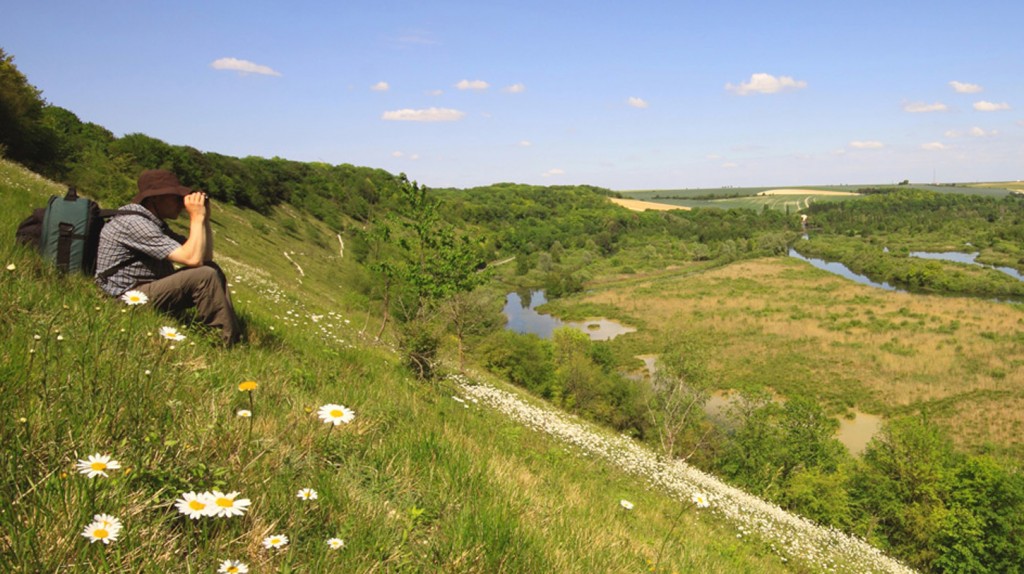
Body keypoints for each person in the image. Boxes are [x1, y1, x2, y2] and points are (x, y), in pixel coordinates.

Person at [95, 169, 241, 346]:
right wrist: (196, 216)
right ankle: (224, 344)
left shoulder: (152, 223)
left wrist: (204, 220)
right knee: (205, 276)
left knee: (211, 268)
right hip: (126, 299)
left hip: (142, 289)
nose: (181, 203)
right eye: (176, 197)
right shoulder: (135, 223)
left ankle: (231, 334)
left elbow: (204, 256)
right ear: (155, 198)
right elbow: (193, 259)